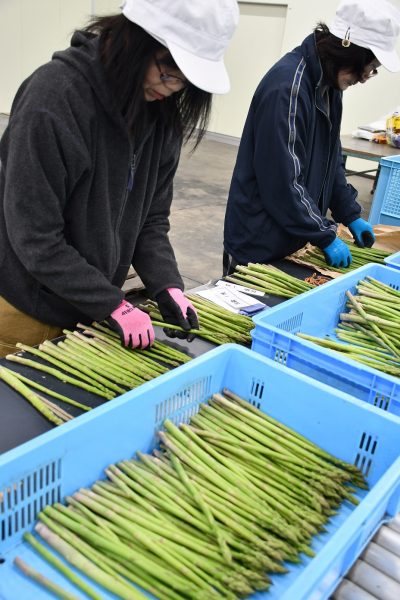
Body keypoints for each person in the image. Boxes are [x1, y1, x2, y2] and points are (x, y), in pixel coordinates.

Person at [0, 0, 239, 357]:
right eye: (168, 71)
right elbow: (36, 237)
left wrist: (166, 284)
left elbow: (150, 219)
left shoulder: (160, 115)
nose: (173, 88)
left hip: (89, 311)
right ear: (134, 40)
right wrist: (111, 303)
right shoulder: (54, 99)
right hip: (27, 308)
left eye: (184, 80)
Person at [223, 0, 400, 276]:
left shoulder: (329, 86)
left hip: (293, 236)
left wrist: (350, 213)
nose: (366, 77)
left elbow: (331, 161)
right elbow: (283, 182)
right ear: (350, 51)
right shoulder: (288, 89)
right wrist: (323, 234)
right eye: (369, 66)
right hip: (260, 244)